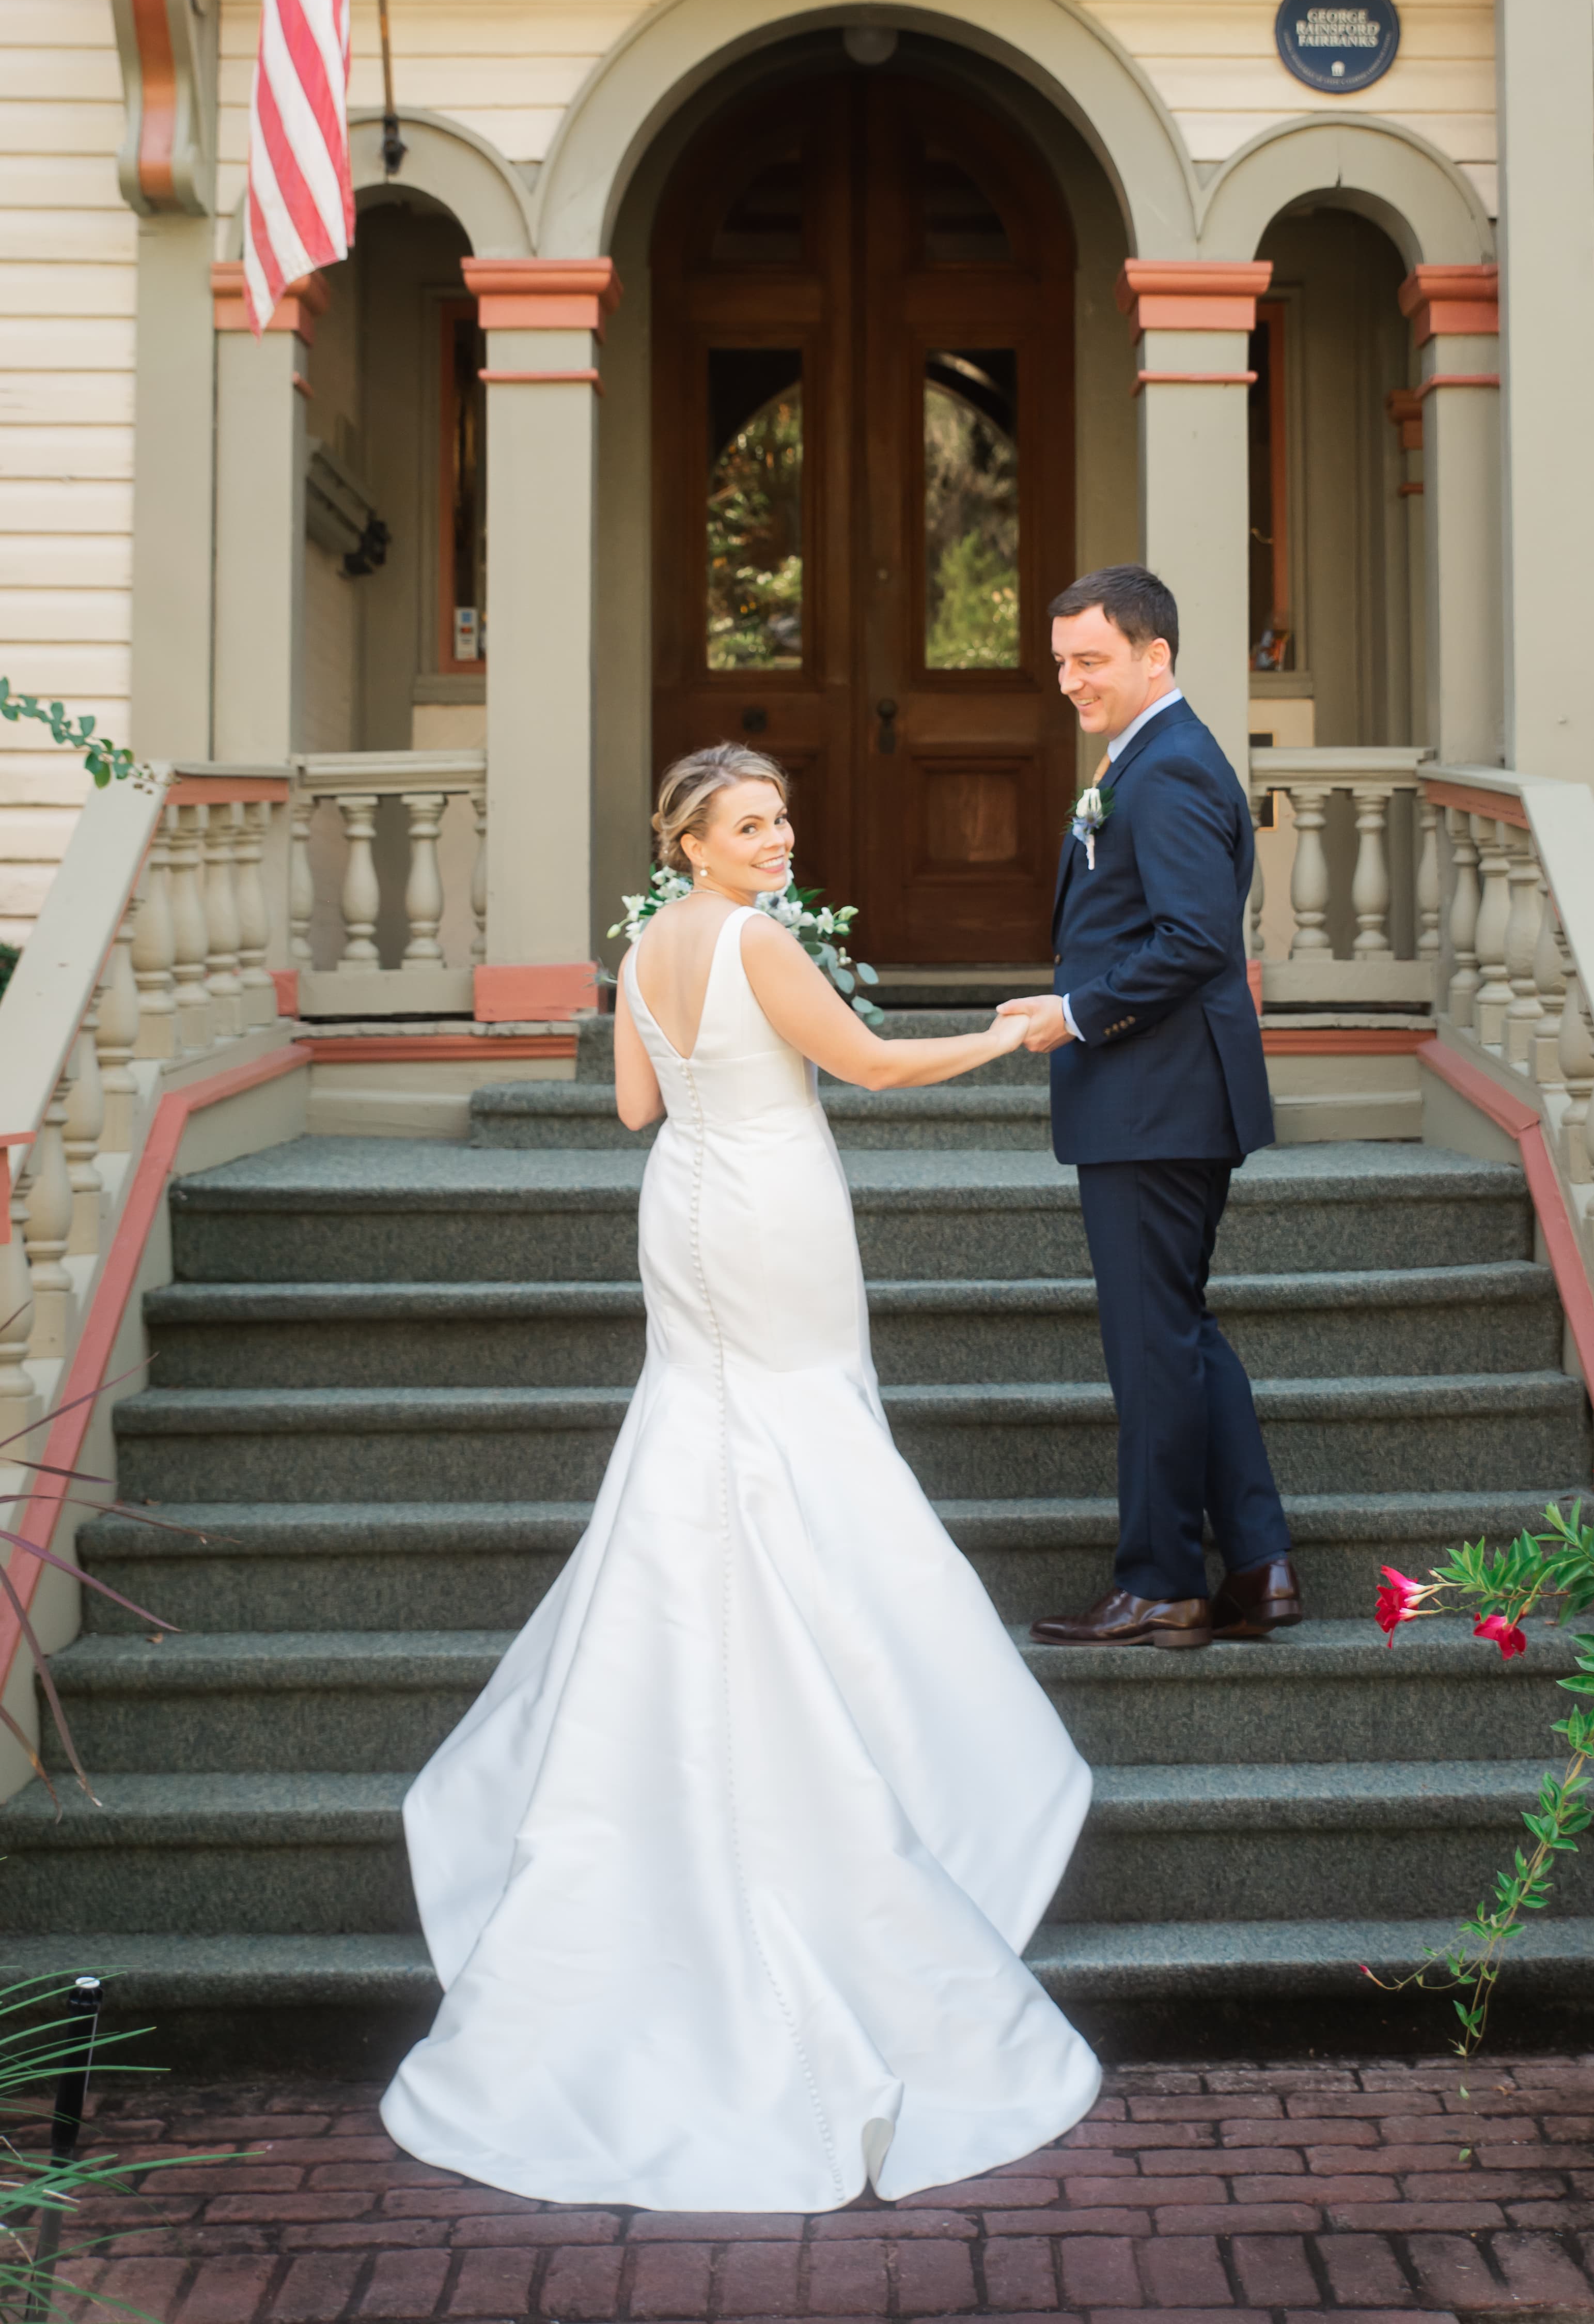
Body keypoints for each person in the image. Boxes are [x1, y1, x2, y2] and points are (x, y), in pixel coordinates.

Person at [381, 744, 1101, 2212]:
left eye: (782, 818)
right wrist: (1030, 1030)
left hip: (687, 1202)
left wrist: (727, 1072)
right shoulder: (758, 941)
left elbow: (638, 1110)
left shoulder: (647, 942)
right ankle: (854, 1722)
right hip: (772, 1197)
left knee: (705, 1432)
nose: (778, 841)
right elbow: (877, 1065)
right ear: (693, 841)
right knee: (802, 1432)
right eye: (750, 824)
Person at [999, 565, 1300, 1652]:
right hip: (1166, 1095)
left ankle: (1164, 1579)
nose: (1070, 681)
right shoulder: (1155, 758)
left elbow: (1194, 941)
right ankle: (1259, 1564)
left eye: (1092, 660)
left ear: (1154, 657)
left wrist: (1076, 1015)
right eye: (1063, 661)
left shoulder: (1166, 772)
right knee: (1179, 1333)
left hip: (1154, 1096)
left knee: (1150, 1344)